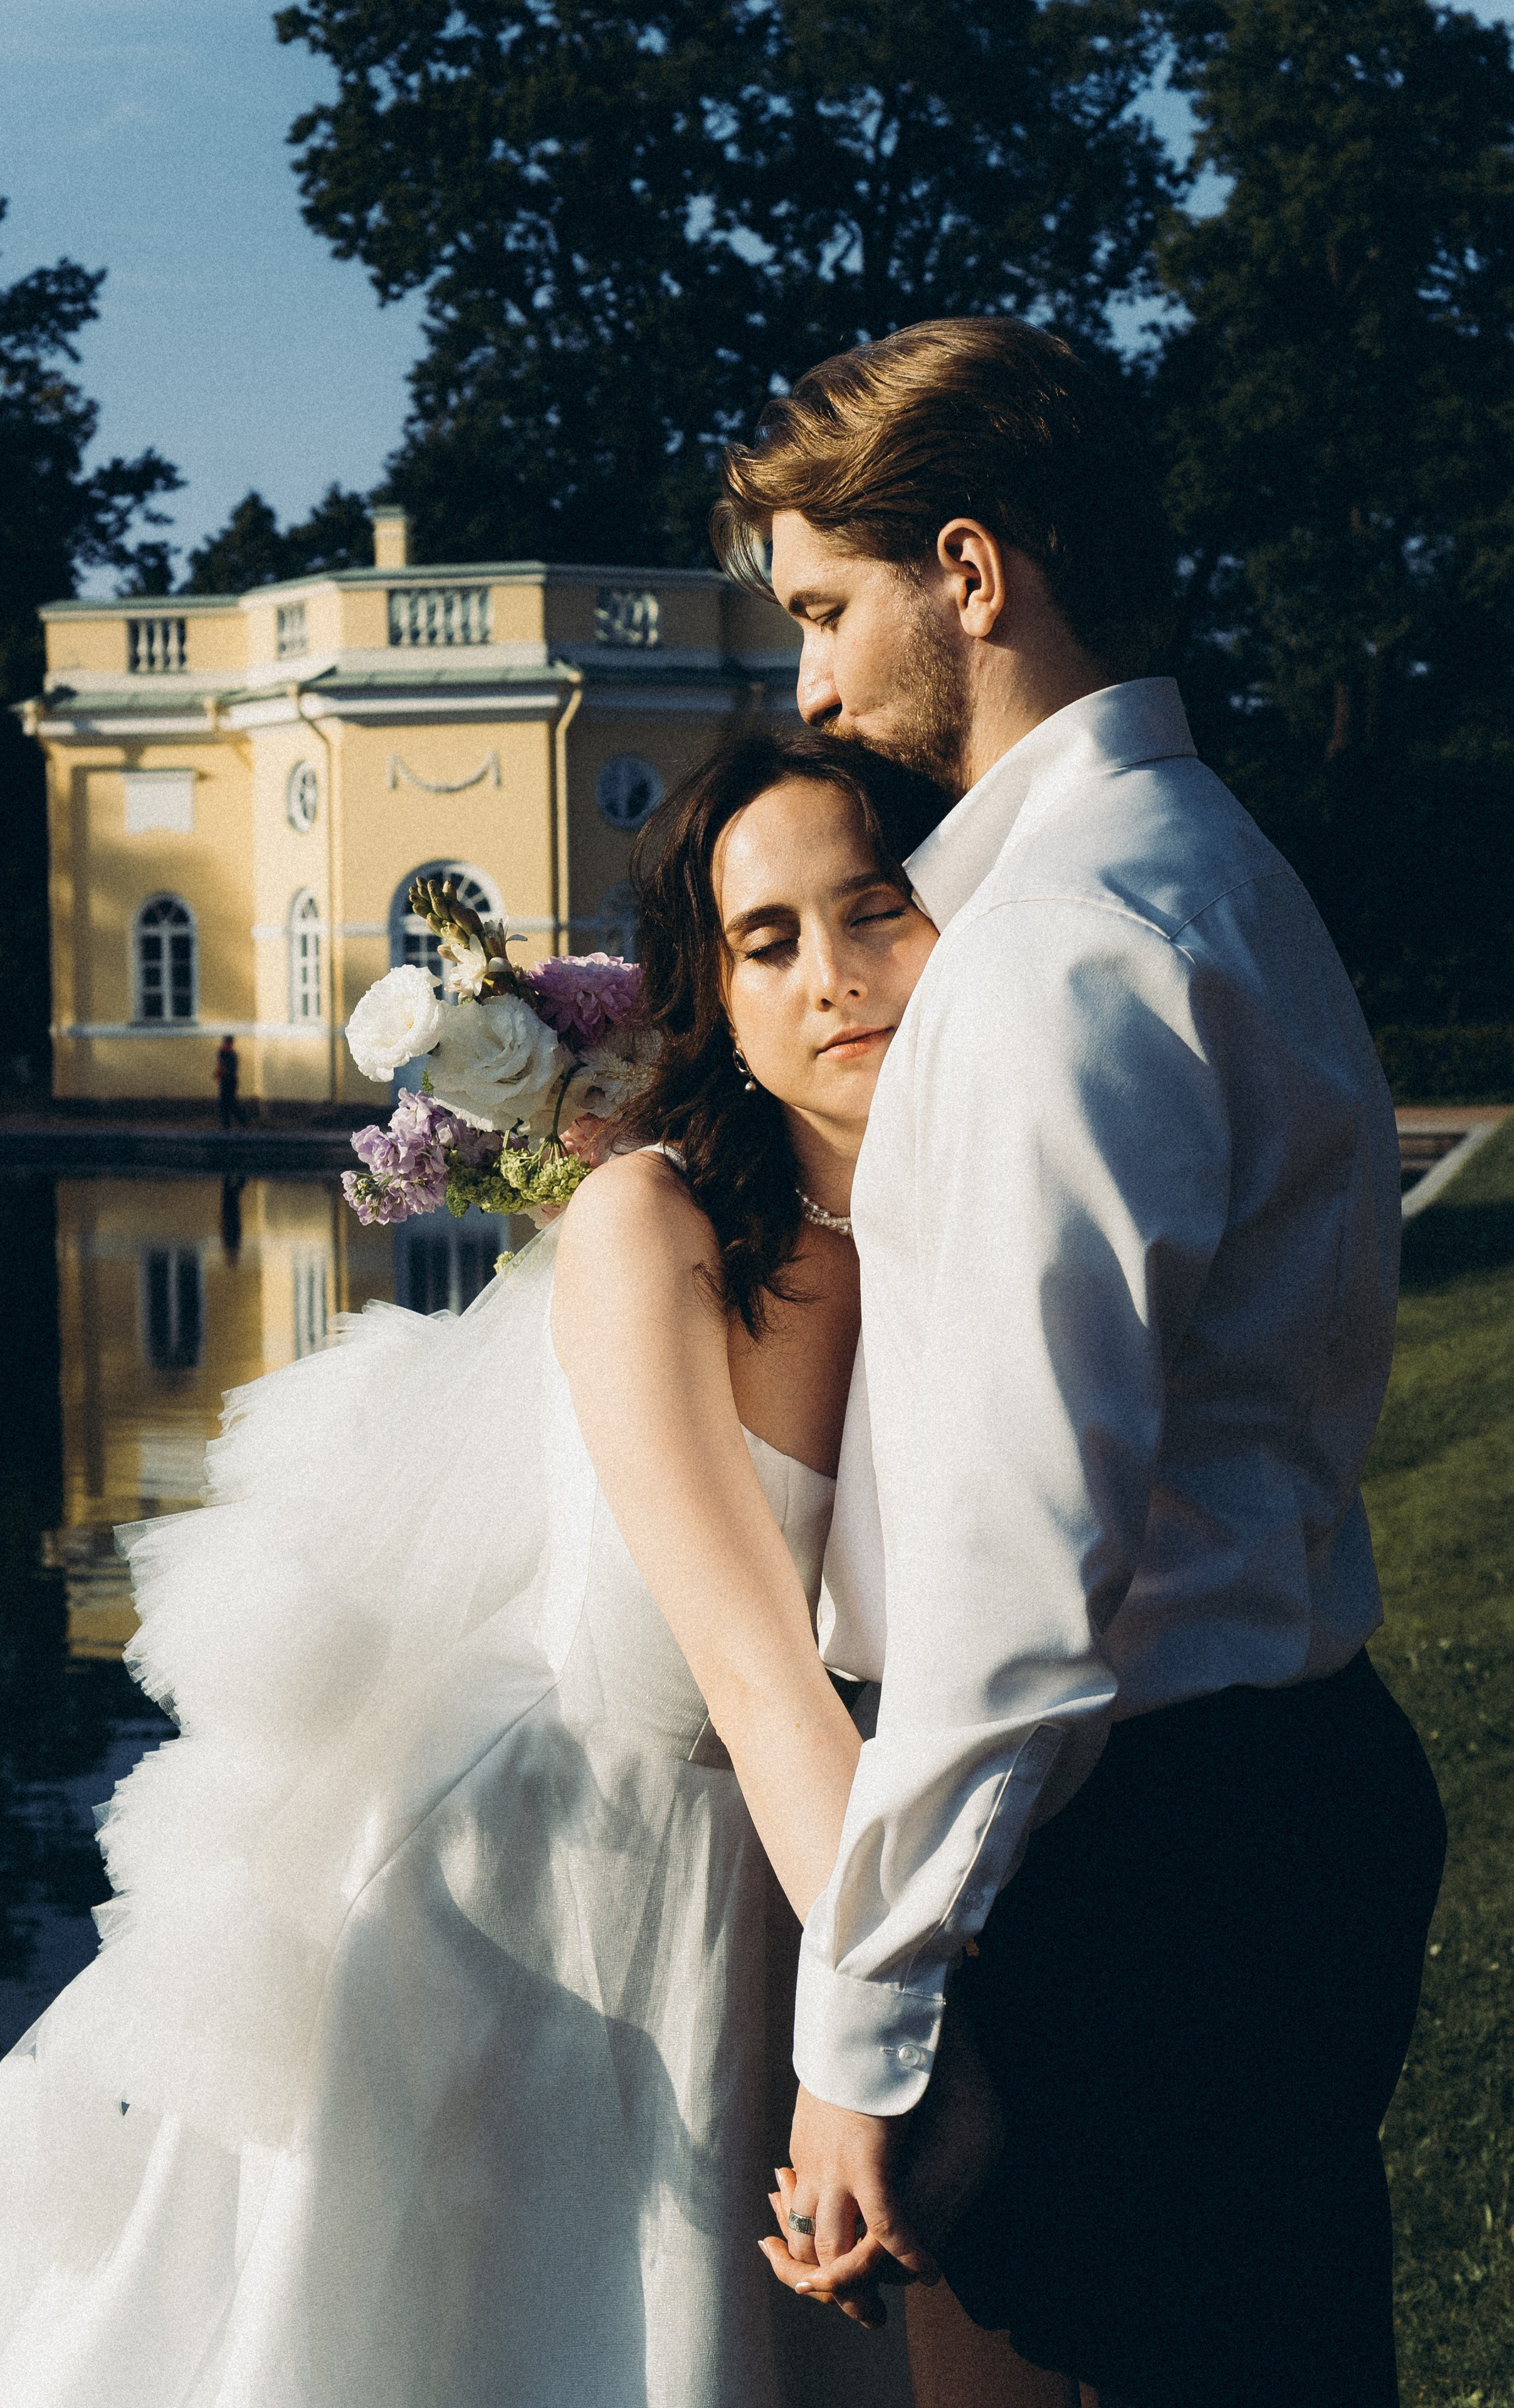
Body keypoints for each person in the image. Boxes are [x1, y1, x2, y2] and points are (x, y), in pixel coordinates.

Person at [0, 728, 1052, 2408]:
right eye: (767, 942)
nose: (834, 979)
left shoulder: (967, 1217)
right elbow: (753, 1672)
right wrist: (913, 2036)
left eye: (875, 911)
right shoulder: (648, 1225)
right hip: (544, 1900)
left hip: (780, 1872)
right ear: (712, 1001)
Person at [717, 319, 1447, 2407]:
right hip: (1267, 1793)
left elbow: (1019, 1587)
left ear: (972, 570)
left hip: (1142, 1868)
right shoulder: (1215, 870)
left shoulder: (1057, 948)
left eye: (829, 610)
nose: (813, 688)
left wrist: (861, 2038)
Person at [213, 1032, 241, 1130]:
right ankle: (228, 1124)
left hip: (229, 1081)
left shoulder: (228, 1053)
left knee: (229, 1103)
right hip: (227, 1080)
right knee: (227, 1103)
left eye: (226, 1042)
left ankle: (239, 1120)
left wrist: (219, 1073)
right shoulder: (227, 1053)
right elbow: (222, 1066)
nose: (225, 1044)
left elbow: (226, 1068)